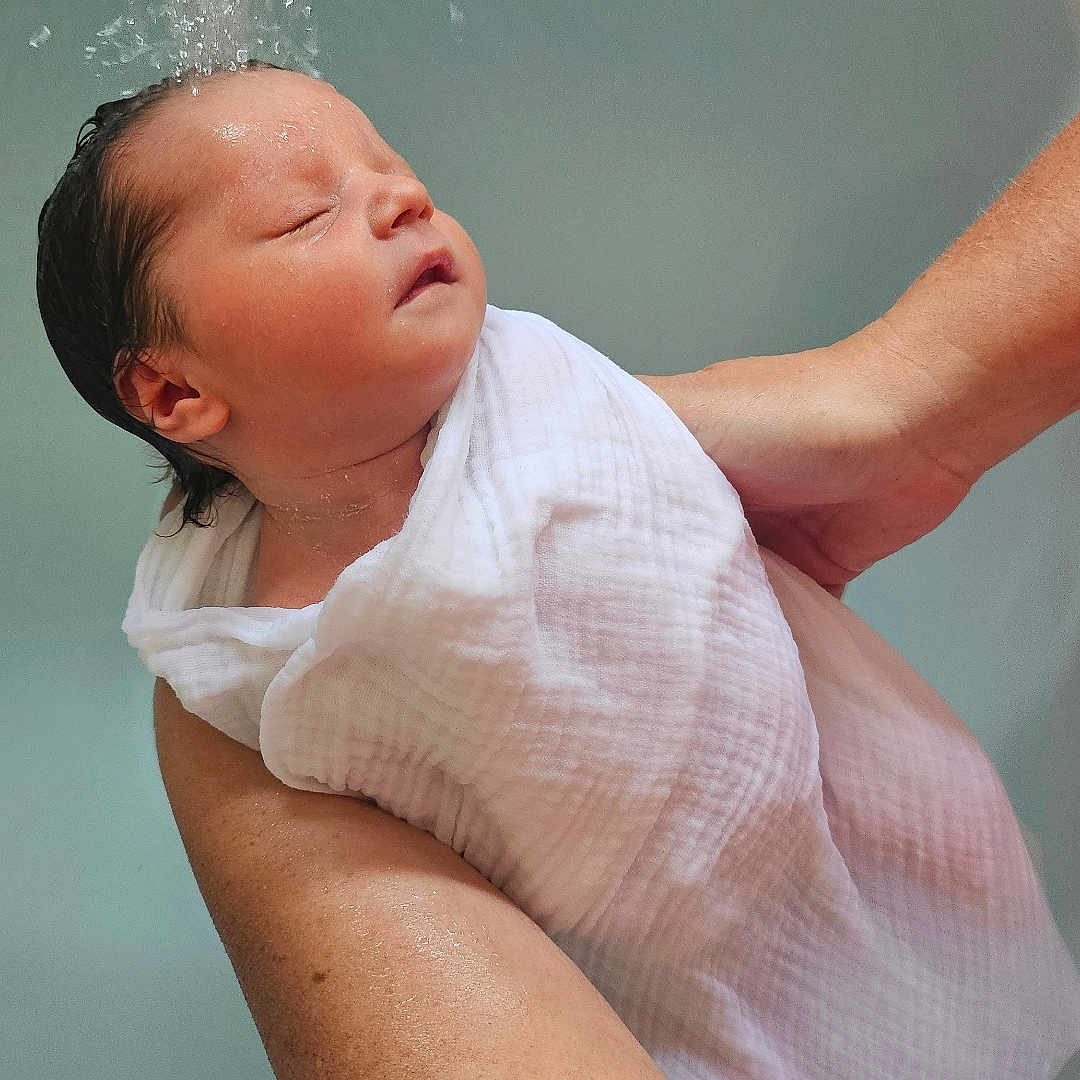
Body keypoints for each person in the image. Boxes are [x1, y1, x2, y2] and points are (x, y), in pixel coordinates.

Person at [37, 62, 1080, 1078]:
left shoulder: (541, 390)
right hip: (639, 971)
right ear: (174, 394)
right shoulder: (243, 650)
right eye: (306, 217)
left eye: (393, 171)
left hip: (816, 813)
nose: (402, 201)